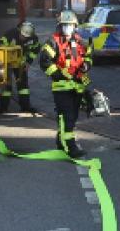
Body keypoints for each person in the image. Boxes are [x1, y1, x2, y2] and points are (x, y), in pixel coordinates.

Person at [39, 10, 92, 158]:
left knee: (72, 116)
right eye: (64, 25)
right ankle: (70, 147)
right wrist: (59, 74)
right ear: (60, 26)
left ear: (75, 26)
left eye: (70, 25)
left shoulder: (78, 41)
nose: (67, 28)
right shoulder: (53, 42)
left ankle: (60, 141)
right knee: (67, 117)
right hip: (61, 87)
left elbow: (88, 54)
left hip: (77, 86)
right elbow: (44, 61)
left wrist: (86, 65)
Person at [0, 20, 41, 113]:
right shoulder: (10, 34)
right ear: (19, 30)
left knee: (23, 86)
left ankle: (25, 107)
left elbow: (36, 49)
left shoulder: (33, 38)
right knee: (6, 86)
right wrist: (2, 64)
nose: (23, 38)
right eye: (22, 35)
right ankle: (3, 108)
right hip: (7, 63)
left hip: (21, 64)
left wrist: (28, 62)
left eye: (26, 37)